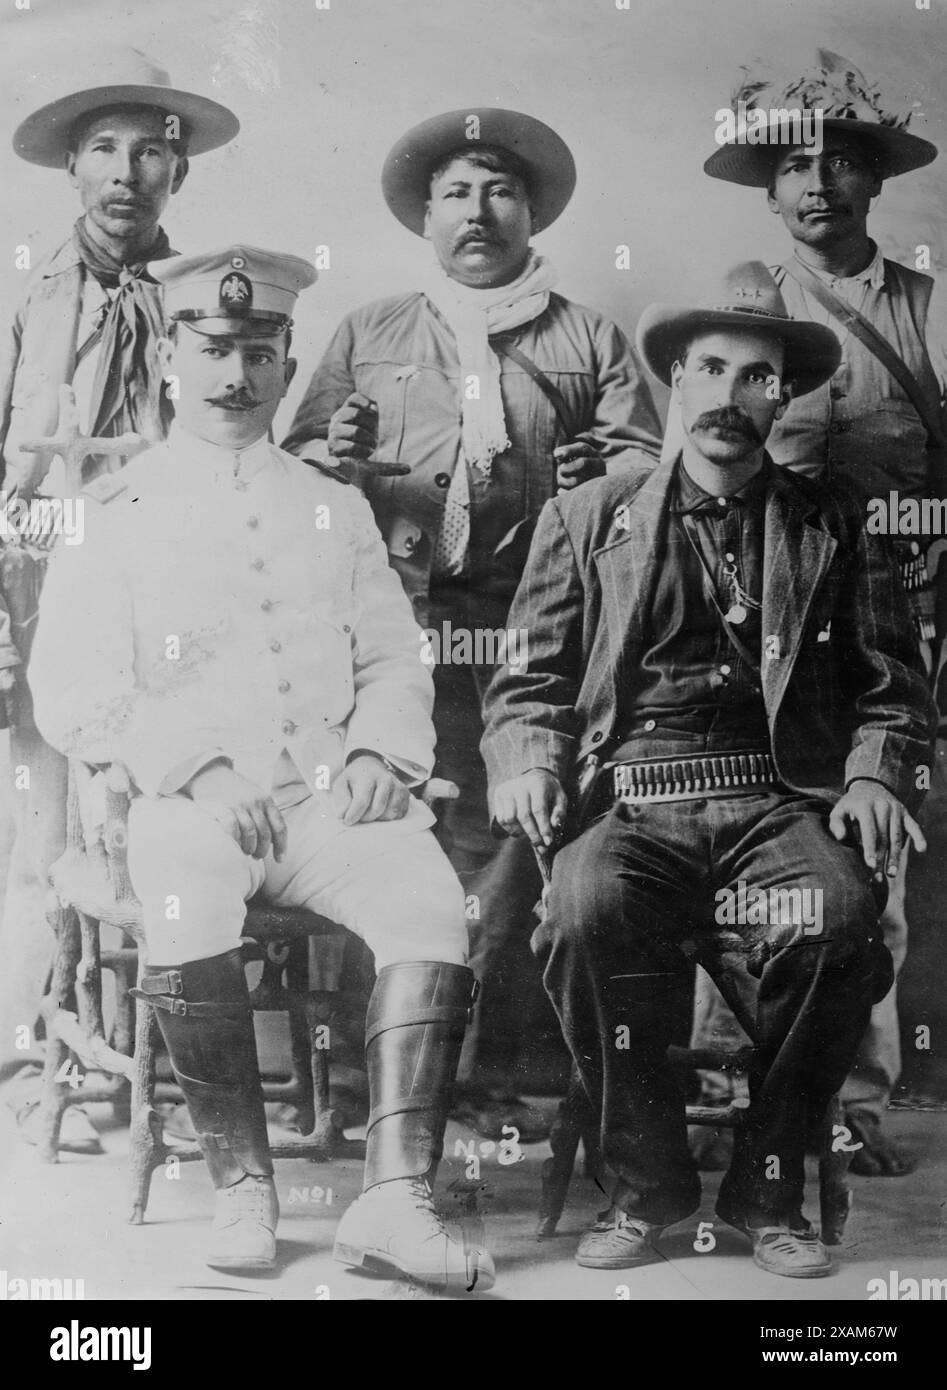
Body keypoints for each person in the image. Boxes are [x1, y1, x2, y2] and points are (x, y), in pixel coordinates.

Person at [29, 245, 495, 1294]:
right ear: (169, 362)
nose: (235, 376)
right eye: (212, 351)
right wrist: (193, 768)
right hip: (186, 804)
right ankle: (242, 1180)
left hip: (328, 793)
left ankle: (392, 1202)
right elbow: (73, 689)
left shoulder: (332, 503)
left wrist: (382, 751)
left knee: (431, 904)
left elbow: (389, 653)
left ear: (288, 364)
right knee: (188, 896)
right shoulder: (113, 512)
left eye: (257, 353)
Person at [481, 261, 936, 1277]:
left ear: (785, 397)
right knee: (582, 910)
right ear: (672, 381)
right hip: (630, 798)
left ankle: (764, 1186)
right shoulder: (586, 518)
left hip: (777, 800)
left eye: (758, 379)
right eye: (711, 370)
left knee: (835, 918)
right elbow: (524, 681)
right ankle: (647, 1189)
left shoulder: (832, 520)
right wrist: (523, 760)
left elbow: (891, 684)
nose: (731, 399)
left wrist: (871, 773)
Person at [282, 107, 662, 1133]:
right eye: (455, 191)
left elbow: (651, 481)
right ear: (424, 215)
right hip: (393, 632)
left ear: (530, 208)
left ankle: (484, 1077)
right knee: (383, 833)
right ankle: (372, 1086)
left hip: (529, 634)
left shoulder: (586, 336)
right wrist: (338, 452)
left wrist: (602, 476)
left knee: (507, 847)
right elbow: (300, 477)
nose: (478, 210)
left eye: (498, 189)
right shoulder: (368, 331)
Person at [702, 51, 947, 1174]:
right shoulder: (752, 304)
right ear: (767, 188)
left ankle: (848, 1092)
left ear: (872, 185)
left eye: (840, 163)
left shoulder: (928, 307)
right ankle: (723, 1071)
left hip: (899, 601)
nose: (817, 186)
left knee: (870, 839)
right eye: (794, 165)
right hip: (767, 612)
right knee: (744, 828)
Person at [0, 46, 239, 1153]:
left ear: (176, 174)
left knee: (141, 818)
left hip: (158, 599)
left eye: (152, 151)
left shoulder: (204, 306)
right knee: (36, 825)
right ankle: (34, 1053)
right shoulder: (20, 300)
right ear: (72, 169)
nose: (127, 173)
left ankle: (143, 1064)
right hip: (36, 576)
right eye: (104, 149)